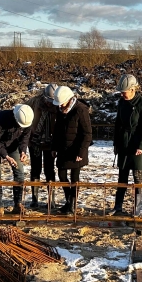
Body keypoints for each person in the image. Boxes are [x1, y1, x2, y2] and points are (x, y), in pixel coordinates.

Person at [112, 74, 142, 215]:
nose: (122, 94)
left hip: (137, 145)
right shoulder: (121, 102)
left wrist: (141, 146)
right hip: (123, 144)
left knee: (138, 177)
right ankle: (118, 207)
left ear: (133, 89)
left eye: (125, 92)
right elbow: (118, 124)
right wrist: (116, 143)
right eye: (121, 92)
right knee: (122, 177)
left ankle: (140, 208)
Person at [0, 104, 34, 215]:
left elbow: (25, 137)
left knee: (19, 172)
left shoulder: (27, 120)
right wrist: (6, 156)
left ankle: (18, 204)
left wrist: (22, 151)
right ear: (15, 118)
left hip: (12, 144)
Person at [51, 86, 92, 214]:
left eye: (62, 102)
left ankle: (72, 204)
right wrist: (54, 147)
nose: (60, 106)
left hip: (76, 150)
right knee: (62, 175)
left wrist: (81, 151)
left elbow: (87, 133)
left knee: (75, 177)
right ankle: (68, 201)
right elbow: (56, 130)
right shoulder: (60, 110)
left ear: (68, 99)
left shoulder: (81, 110)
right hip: (63, 148)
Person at [25, 83, 59, 208]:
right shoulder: (33, 103)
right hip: (35, 141)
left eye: (52, 101)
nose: (50, 103)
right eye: (48, 100)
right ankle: (34, 199)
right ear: (44, 97)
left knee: (49, 170)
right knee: (35, 169)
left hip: (50, 143)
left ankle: (51, 200)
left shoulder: (58, 106)